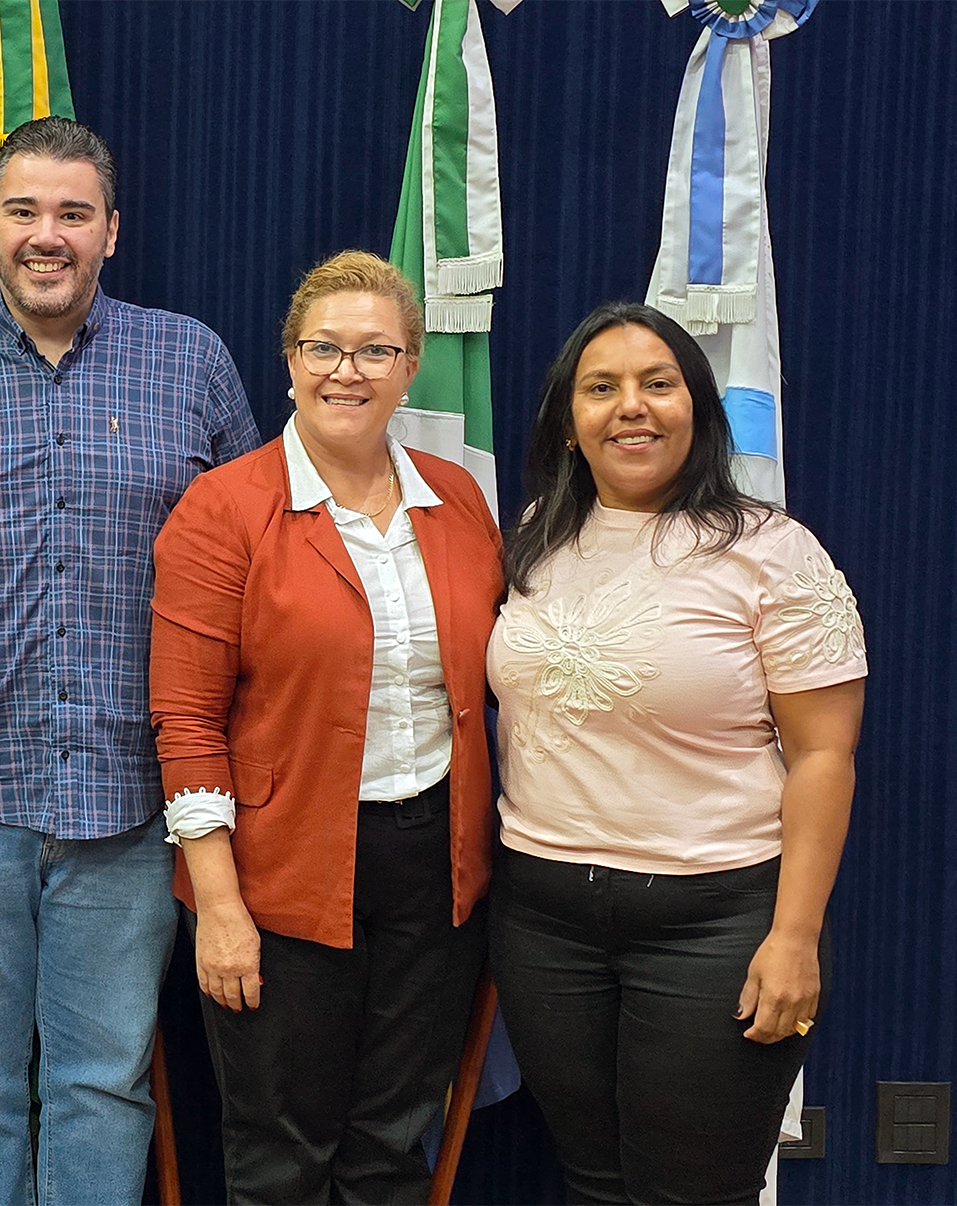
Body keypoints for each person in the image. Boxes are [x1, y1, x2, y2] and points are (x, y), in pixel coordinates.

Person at [0, 115, 261, 1206]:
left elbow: (254, 578)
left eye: (72, 214)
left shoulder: (192, 363)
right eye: (23, 210)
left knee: (102, 1083)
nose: (48, 235)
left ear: (110, 232)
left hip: (133, 801)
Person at [486, 303, 866, 1206]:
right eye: (601, 388)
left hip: (714, 923)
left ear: (696, 407)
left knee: (695, 1194)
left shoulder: (773, 552)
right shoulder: (540, 532)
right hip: (543, 919)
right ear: (569, 421)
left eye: (658, 384)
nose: (631, 407)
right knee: (595, 1182)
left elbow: (824, 757)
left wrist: (796, 937)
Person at [150, 250, 503, 1205]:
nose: (348, 371)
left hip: (435, 869)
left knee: (391, 1146)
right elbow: (186, 722)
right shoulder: (223, 509)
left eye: (376, 350)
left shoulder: (458, 500)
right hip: (282, 872)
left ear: (412, 364)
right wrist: (220, 909)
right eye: (324, 348)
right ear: (289, 360)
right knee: (281, 1154)